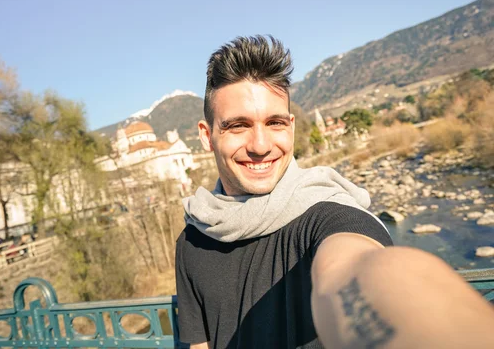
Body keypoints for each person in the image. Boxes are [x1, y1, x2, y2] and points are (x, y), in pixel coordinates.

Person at [175, 35, 494, 349]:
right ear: (206, 135)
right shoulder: (193, 241)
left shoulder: (325, 212)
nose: (261, 146)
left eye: (275, 123)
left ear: (292, 126)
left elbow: (349, 265)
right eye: (238, 125)